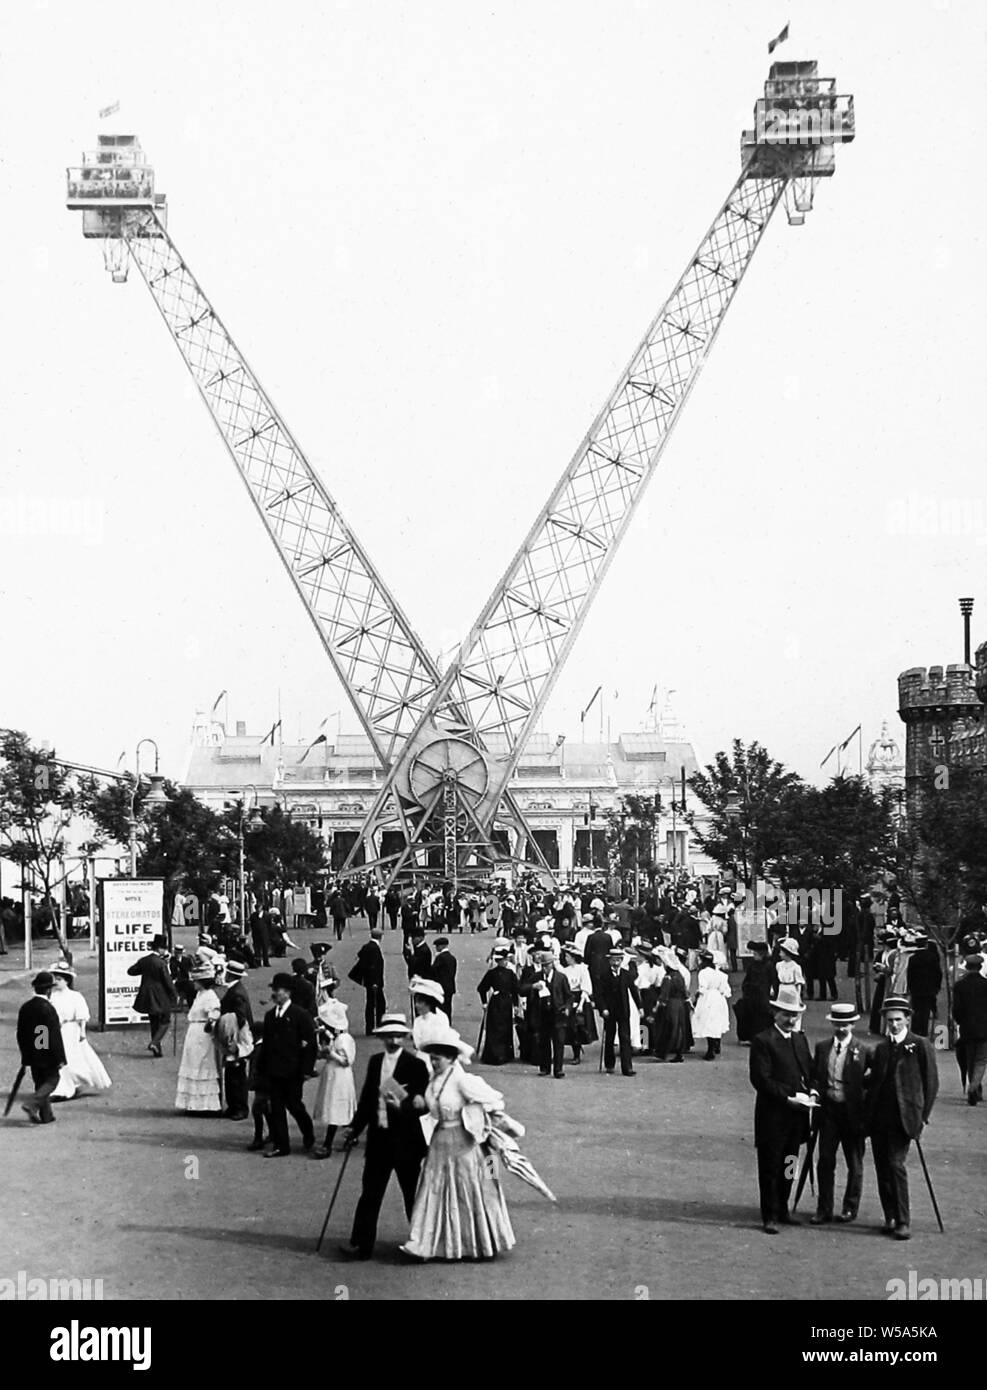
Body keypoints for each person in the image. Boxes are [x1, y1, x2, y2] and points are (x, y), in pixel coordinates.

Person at [398, 1019, 517, 1262]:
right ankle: (426, 1244)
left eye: (438, 1057)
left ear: (452, 1058)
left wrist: (480, 1118)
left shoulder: (463, 1080)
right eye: (432, 1057)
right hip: (439, 1142)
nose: (433, 1061)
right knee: (434, 1190)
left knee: (469, 1190)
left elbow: (495, 1100)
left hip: (464, 1144)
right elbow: (431, 1109)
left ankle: (477, 1243)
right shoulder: (433, 1080)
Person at [339, 1014, 430, 1260]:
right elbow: (368, 1099)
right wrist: (354, 1128)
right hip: (379, 1140)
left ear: (404, 1037)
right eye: (388, 1035)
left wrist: (406, 1105)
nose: (393, 1039)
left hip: (407, 1143)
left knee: (412, 1195)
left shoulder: (416, 1066)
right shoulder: (375, 1061)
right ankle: (361, 1244)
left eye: (398, 1035)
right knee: (370, 1193)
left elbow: (423, 1105)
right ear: (381, 1037)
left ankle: (420, 1243)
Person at [864, 995, 939, 1240]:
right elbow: (874, 1080)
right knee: (883, 1168)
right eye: (889, 1021)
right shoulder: (882, 1048)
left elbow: (931, 1084)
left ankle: (903, 1220)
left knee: (896, 1166)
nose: (893, 1025)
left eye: (898, 1020)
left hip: (904, 1118)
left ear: (907, 1019)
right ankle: (890, 1216)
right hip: (878, 1118)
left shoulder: (919, 1045)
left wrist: (922, 1117)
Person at [749, 984, 815, 1235]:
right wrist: (788, 1098)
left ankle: (784, 1208)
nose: (790, 1019)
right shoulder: (763, 1040)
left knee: (790, 1162)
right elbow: (761, 1079)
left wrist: (813, 1090)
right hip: (773, 1116)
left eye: (794, 1015)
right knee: (770, 1165)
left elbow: (808, 1069)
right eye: (786, 1014)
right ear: (775, 1013)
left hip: (797, 1117)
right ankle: (770, 1214)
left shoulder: (799, 1038)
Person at [808, 1003, 869, 1225]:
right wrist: (815, 1092)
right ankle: (824, 1208)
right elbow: (815, 1076)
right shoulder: (823, 1047)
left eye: (846, 1024)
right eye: (838, 1024)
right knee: (825, 1160)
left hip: (852, 1114)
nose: (842, 1028)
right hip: (829, 1112)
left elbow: (870, 1081)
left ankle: (850, 1208)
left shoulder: (863, 1050)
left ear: (853, 1024)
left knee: (854, 1162)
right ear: (832, 1023)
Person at [257, 972, 317, 1156]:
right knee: (276, 1109)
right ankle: (282, 1146)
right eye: (273, 990)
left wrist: (306, 1070)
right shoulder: (269, 1016)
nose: (275, 993)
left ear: (288, 993)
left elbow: (311, 1044)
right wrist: (261, 1069)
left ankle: (309, 1134)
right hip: (274, 1071)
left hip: (293, 1072)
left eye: (278, 990)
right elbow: (266, 1045)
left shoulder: (300, 1015)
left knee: (295, 1106)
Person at [48, 962, 111, 1099]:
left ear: (67, 981)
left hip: (70, 1031)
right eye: (54, 979)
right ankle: (62, 1088)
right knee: (57, 1059)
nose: (56, 982)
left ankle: (69, 1087)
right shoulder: (51, 996)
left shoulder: (75, 996)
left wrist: (82, 1033)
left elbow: (81, 1017)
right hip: (55, 1031)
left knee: (70, 1059)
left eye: (59, 980)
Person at [16, 973, 66, 1124]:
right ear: (48, 991)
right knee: (52, 1080)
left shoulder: (26, 1007)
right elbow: (53, 1036)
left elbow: (21, 1033)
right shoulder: (48, 1009)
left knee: (40, 1082)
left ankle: (47, 1115)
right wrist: (60, 1058)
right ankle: (32, 1104)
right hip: (47, 1053)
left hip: (32, 1053)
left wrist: (25, 1055)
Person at [311, 1000, 356, 1158]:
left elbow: (346, 1061)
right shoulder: (334, 1038)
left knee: (335, 1107)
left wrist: (331, 1053)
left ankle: (327, 1144)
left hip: (340, 1076)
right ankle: (351, 1135)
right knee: (338, 1105)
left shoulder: (345, 1040)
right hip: (332, 1074)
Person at [175, 966, 223, 1112]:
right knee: (192, 1064)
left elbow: (214, 1014)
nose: (194, 984)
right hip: (194, 1033)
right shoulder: (200, 994)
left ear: (203, 982)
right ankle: (193, 1103)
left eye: (196, 981)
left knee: (202, 1066)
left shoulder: (210, 996)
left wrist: (209, 1024)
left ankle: (206, 1105)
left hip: (202, 1035)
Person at [521, 947, 573, 1079]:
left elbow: (569, 996)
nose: (545, 968)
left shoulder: (561, 978)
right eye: (543, 965)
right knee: (543, 1042)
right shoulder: (536, 977)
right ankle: (544, 1067)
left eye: (548, 965)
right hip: (542, 1014)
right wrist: (533, 986)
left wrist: (567, 1008)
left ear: (553, 964)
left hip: (558, 1014)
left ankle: (558, 1069)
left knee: (559, 1043)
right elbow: (521, 989)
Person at [127, 935, 178, 1057]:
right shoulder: (161, 963)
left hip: (146, 994)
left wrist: (144, 970)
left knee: (154, 1022)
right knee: (165, 1019)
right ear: (160, 949)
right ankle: (154, 1043)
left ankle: (157, 1049)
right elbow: (167, 980)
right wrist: (174, 994)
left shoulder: (144, 960)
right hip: (160, 995)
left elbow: (131, 971)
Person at [596, 946, 641, 1077]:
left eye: (618, 960)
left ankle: (627, 1067)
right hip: (609, 1011)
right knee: (610, 1037)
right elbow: (599, 994)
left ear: (621, 961)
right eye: (613, 960)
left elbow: (633, 991)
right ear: (609, 961)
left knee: (625, 1038)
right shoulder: (603, 975)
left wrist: (640, 1007)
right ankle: (609, 1064)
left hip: (623, 1010)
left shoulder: (626, 975)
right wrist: (603, 1008)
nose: (616, 963)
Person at [217, 960, 253, 1120]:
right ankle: (233, 1106)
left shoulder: (236, 993)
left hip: (236, 1038)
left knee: (236, 1074)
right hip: (236, 1037)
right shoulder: (236, 990)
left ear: (230, 974)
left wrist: (232, 1039)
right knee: (232, 1073)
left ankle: (240, 1107)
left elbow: (240, 1018)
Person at [953, 954, 987, 1105]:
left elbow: (957, 1009)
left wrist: (960, 1021)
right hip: (984, 1027)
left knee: (970, 1059)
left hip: (967, 1027)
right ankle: (974, 1088)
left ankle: (974, 1088)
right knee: (981, 1060)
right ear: (980, 968)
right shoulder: (986, 984)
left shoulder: (959, 985)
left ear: (966, 967)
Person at [477, 948, 520, 1064]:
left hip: (507, 1002)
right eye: (502, 960)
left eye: (505, 960)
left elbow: (515, 990)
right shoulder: (491, 973)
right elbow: (481, 988)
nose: (504, 962)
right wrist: (484, 1003)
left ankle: (505, 1055)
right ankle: (493, 1055)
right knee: (495, 1028)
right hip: (495, 1003)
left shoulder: (510, 974)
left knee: (505, 1028)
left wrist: (516, 1005)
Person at [650, 952, 692, 1062]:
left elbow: (664, 994)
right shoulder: (679, 976)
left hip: (671, 1005)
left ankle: (663, 1052)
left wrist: (657, 1006)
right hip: (680, 1004)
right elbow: (685, 991)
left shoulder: (668, 978)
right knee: (679, 1029)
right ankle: (679, 1052)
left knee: (668, 1028)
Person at [560, 942, 596, 1064]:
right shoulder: (565, 971)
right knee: (568, 1027)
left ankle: (577, 1054)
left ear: (573, 957)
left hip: (580, 998)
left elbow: (586, 987)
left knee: (578, 1027)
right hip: (569, 998)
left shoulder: (583, 969)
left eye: (567, 957)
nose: (566, 959)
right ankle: (572, 1050)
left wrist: (580, 1004)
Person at [692, 951, 732, 1061]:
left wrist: (696, 999)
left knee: (708, 1022)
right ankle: (717, 1044)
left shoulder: (703, 973)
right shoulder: (721, 974)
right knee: (716, 1021)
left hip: (708, 998)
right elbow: (726, 990)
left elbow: (702, 988)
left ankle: (710, 1050)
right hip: (719, 998)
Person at [735, 941, 774, 1044]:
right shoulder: (753, 965)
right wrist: (746, 989)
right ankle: (748, 1037)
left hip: (762, 995)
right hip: (751, 995)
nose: (754, 956)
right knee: (749, 1016)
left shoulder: (769, 965)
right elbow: (747, 979)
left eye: (755, 954)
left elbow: (772, 980)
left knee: (761, 1018)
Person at [350, 926, 387, 1035]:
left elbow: (361, 956)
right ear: (381, 937)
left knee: (370, 1004)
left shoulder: (367, 946)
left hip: (368, 981)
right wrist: (375, 982)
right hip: (374, 982)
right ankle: (378, 1026)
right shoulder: (375, 948)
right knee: (379, 1005)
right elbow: (374, 967)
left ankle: (370, 1027)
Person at [906, 932, 942, 1039]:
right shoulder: (932, 957)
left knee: (916, 1010)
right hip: (929, 989)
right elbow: (938, 973)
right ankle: (923, 1032)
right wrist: (937, 987)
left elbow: (910, 975)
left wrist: (910, 987)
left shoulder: (913, 958)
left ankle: (915, 1031)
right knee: (925, 1011)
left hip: (916, 989)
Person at [246, 1019, 273, 1152]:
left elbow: (256, 1069)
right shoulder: (266, 1046)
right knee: (266, 1110)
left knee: (257, 1110)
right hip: (266, 1085)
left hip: (262, 1085)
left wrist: (252, 1083)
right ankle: (272, 1133)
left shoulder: (259, 1049)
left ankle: (258, 1139)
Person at [431, 937, 458, 1021]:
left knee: (440, 1007)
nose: (436, 948)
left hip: (441, 986)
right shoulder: (452, 958)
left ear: (442, 946)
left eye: (437, 946)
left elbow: (433, 971)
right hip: (450, 986)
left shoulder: (440, 958)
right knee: (448, 1006)